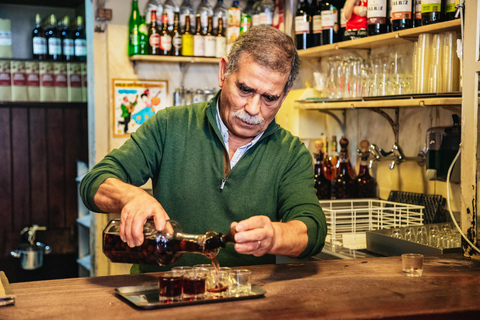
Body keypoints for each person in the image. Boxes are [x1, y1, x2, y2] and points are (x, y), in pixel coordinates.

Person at [80, 25, 327, 272]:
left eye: (269, 98)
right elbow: (94, 182)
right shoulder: (170, 126)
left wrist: (276, 235)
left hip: (242, 298)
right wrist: (131, 197)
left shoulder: (291, 153)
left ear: (283, 96)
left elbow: (313, 230)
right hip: (160, 292)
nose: (253, 108)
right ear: (223, 72)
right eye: (245, 89)